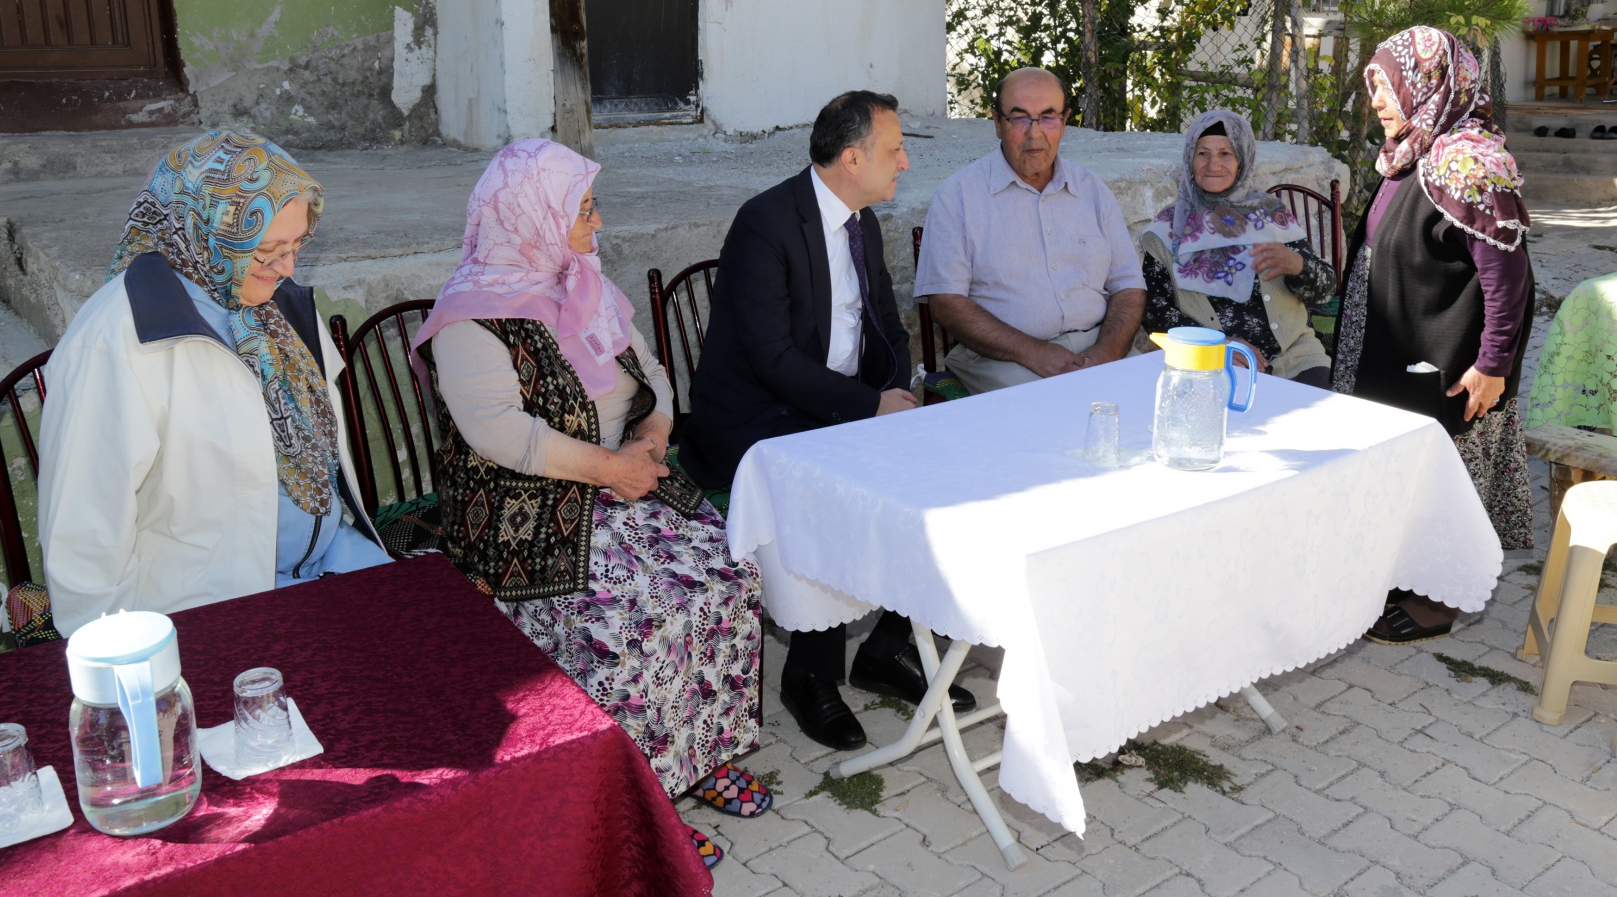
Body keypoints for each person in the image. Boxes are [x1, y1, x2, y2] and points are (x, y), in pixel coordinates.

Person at [413, 139, 766, 865]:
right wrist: (609, 468)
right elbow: (501, 435)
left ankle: (699, 753)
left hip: (623, 481)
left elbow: (654, 373)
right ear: (531, 215)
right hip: (528, 511)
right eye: (582, 209)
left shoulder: (583, 285)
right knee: (634, 614)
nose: (596, 224)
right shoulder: (469, 317)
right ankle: (641, 803)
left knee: (726, 573)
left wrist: (657, 431)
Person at [679, 90, 976, 752]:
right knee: (827, 484)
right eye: (893, 149)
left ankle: (890, 646)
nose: (903, 162)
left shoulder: (863, 220)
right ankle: (810, 676)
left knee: (931, 464)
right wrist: (867, 408)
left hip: (838, 404)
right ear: (851, 157)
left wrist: (896, 392)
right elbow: (772, 359)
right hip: (759, 417)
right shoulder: (766, 223)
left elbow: (887, 328)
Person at [38, 131, 392, 637]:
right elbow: (83, 548)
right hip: (212, 618)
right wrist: (138, 675)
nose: (288, 269)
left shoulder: (275, 307)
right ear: (205, 231)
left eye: (296, 246)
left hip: (331, 565)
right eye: (266, 251)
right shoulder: (116, 342)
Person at [1333, 26, 1535, 644]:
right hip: (1395, 345)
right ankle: (1402, 575)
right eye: (1372, 86)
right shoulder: (1414, 151)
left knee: (1446, 479)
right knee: (1404, 475)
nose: (1377, 99)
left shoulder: (1466, 161)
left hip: (1446, 360)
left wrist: (1493, 363)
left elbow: (1508, 274)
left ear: (1425, 83)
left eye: (1386, 86)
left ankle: (1436, 603)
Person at [914, 67, 1146, 394]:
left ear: (1065, 122)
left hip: (1098, 349)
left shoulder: (1092, 190)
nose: (1035, 134)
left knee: (1149, 406)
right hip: (1003, 358)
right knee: (1051, 420)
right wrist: (1035, 353)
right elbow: (946, 303)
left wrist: (1106, 354)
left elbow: (1128, 285)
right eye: (1019, 118)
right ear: (997, 123)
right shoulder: (958, 197)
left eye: (1048, 118)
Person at [1139, 109, 1334, 387]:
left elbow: (1325, 291)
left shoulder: (1272, 216)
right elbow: (1155, 312)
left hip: (1295, 359)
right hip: (1211, 364)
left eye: (1225, 154)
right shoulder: (1167, 230)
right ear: (1189, 160)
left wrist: (1298, 266)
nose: (1213, 165)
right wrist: (1215, 346)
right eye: (1202, 153)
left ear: (1243, 158)